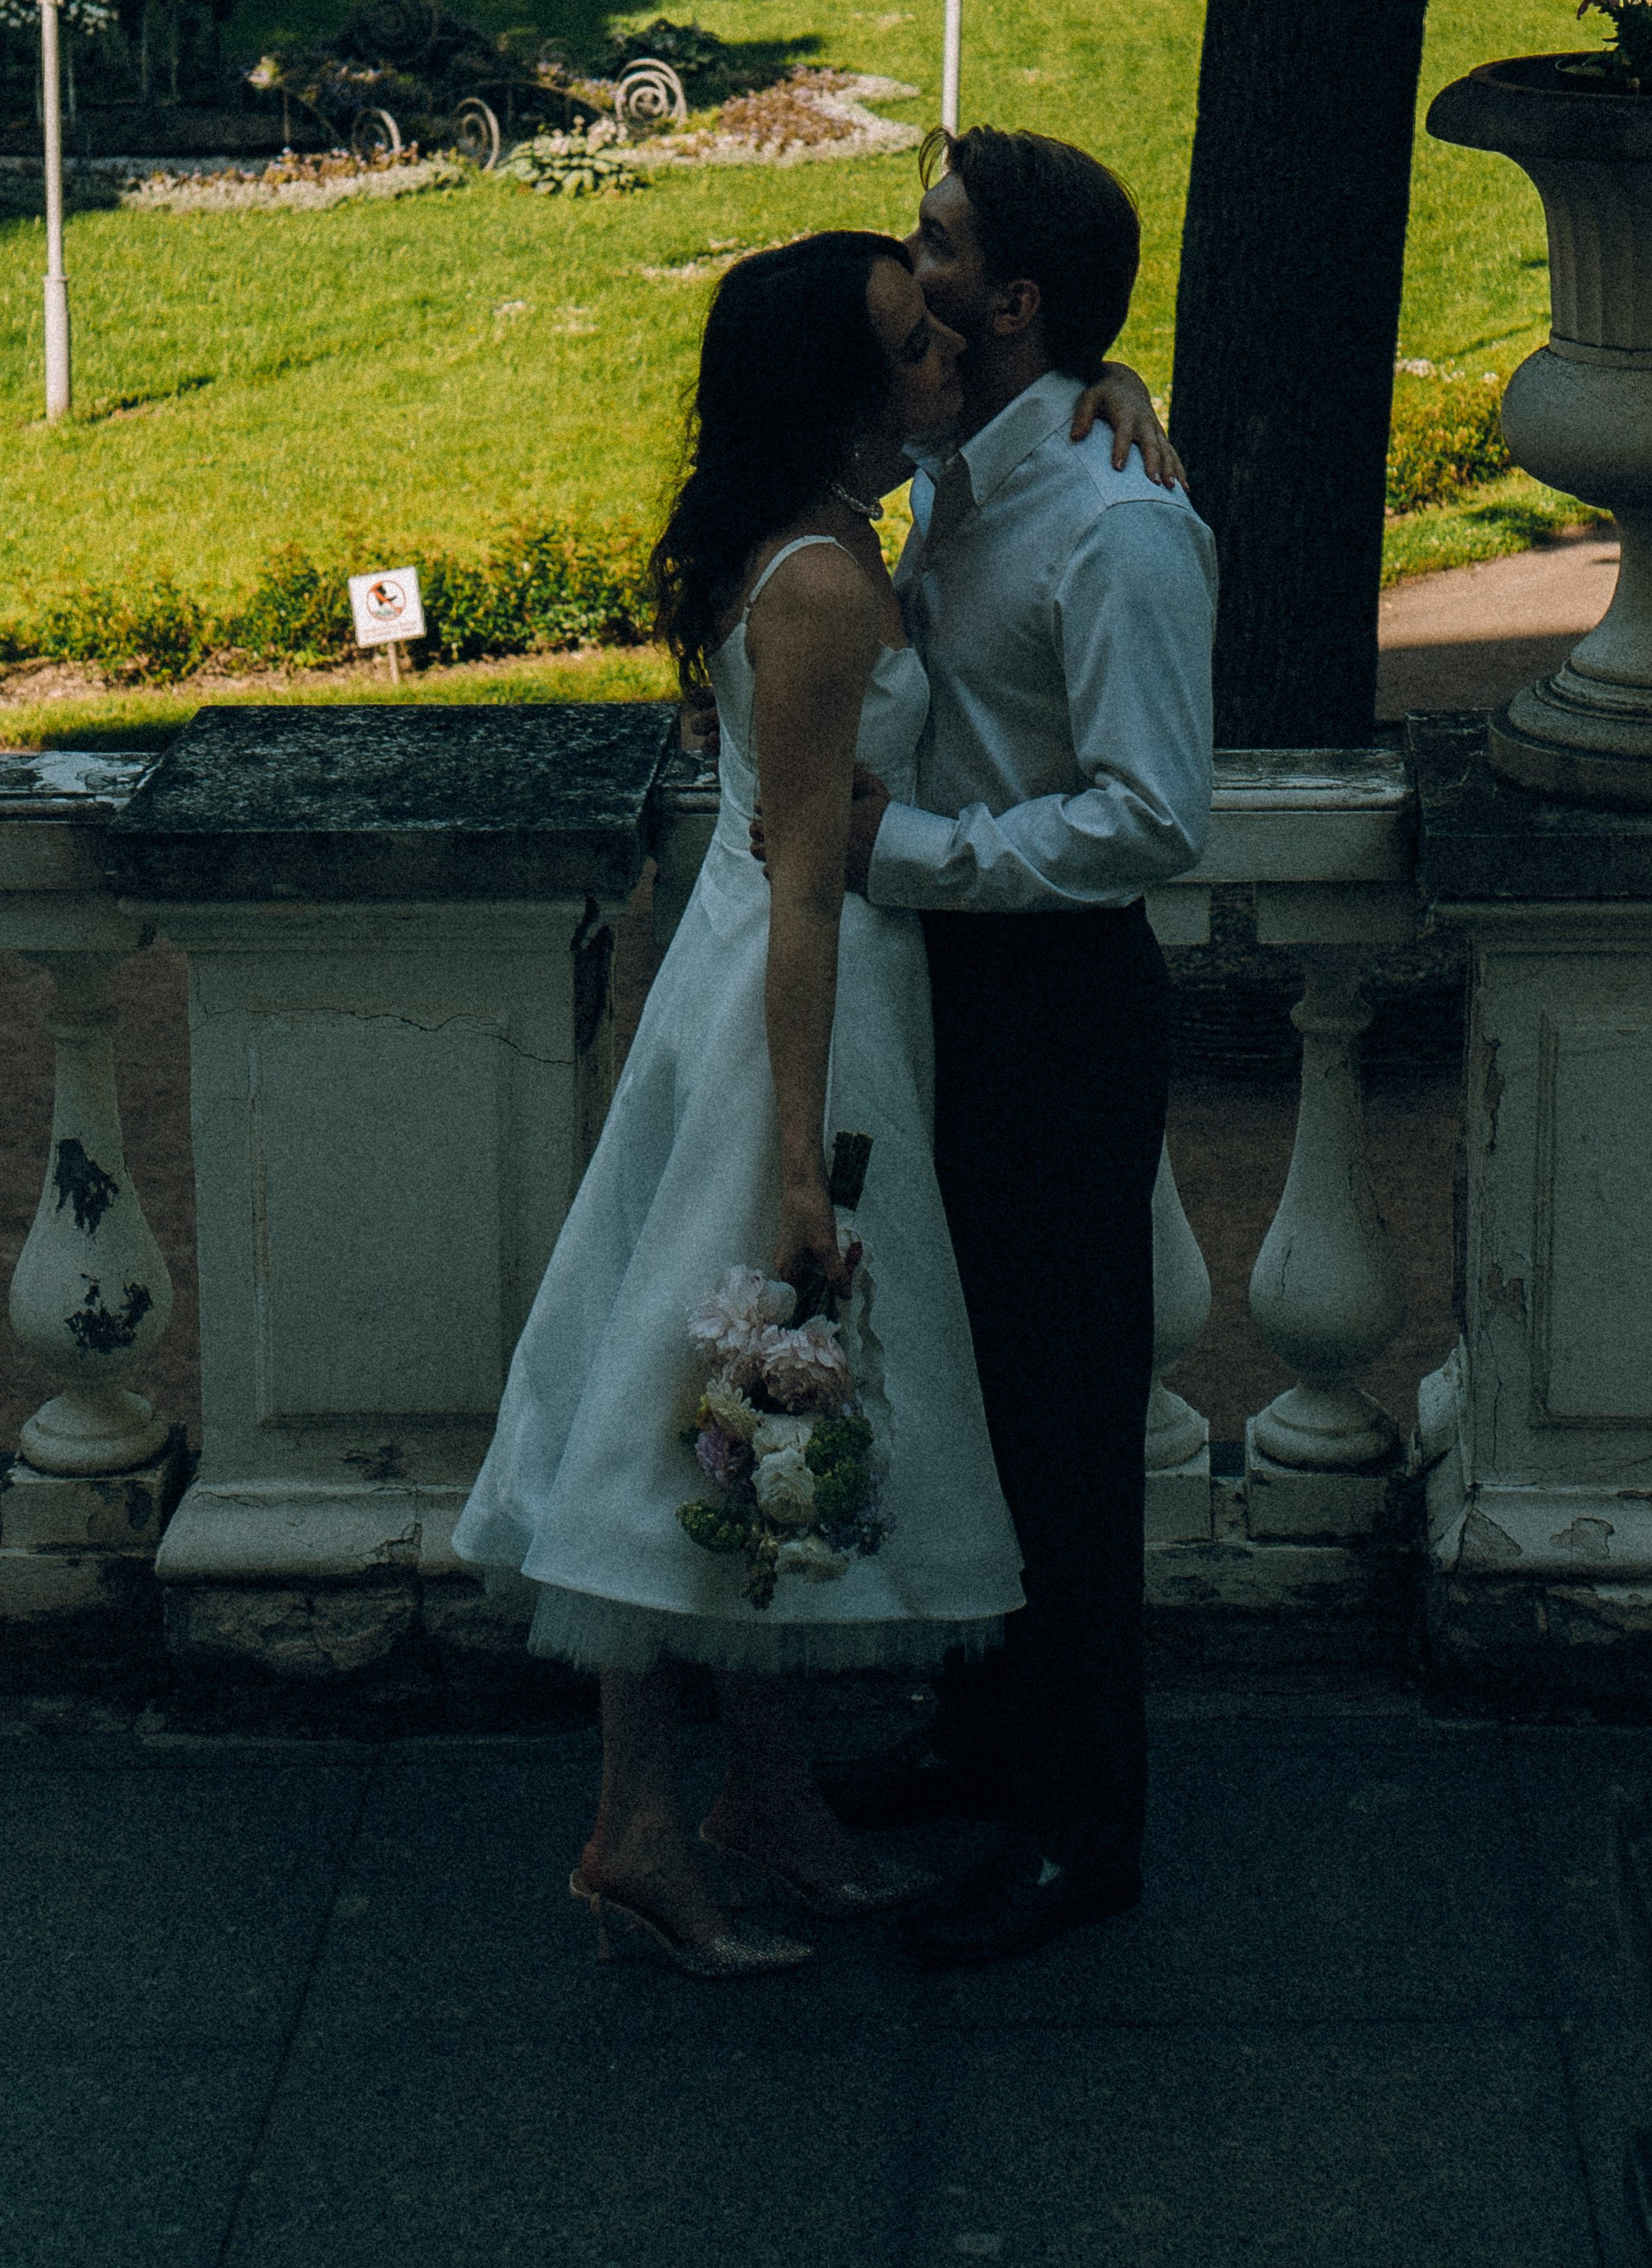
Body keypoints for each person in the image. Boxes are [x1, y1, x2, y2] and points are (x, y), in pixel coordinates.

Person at [452, 230, 1032, 1977]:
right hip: (801, 1017)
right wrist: (799, 1163)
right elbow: (799, 884)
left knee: (731, 1404)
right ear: (832, 395)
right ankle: (635, 1824)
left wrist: (1116, 395)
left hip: (767, 993)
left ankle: (762, 1795)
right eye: (910, 344)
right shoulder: (821, 588)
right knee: (696, 1399)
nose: (944, 355)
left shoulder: (834, 538)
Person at [826, 125, 1216, 1968]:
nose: (912, 263)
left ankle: (1081, 1831)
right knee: (963, 1396)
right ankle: (980, 1739)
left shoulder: (1119, 526)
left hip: (1051, 1006)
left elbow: (1153, 819)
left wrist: (902, 859)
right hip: (946, 991)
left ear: (1015, 299)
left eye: (938, 240)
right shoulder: (970, 472)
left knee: (1060, 1429)